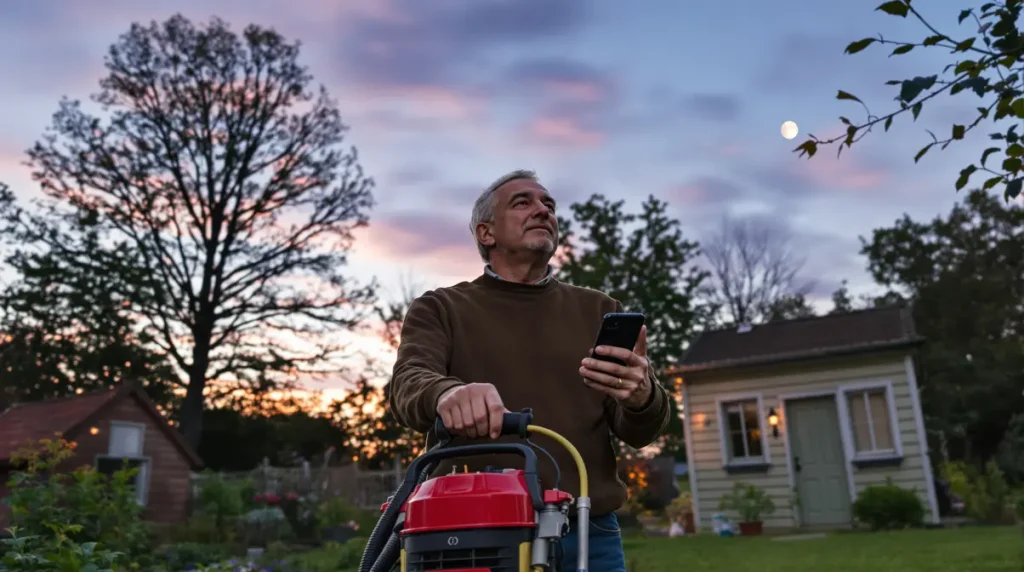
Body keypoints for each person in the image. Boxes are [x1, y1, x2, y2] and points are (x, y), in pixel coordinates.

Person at [388, 169, 671, 572]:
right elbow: (408, 382)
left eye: (548, 205)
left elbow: (640, 431)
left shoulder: (599, 309)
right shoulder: (440, 308)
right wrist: (446, 393)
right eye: (522, 202)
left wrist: (643, 397)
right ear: (486, 233)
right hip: (473, 529)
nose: (543, 210)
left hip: (588, 532)